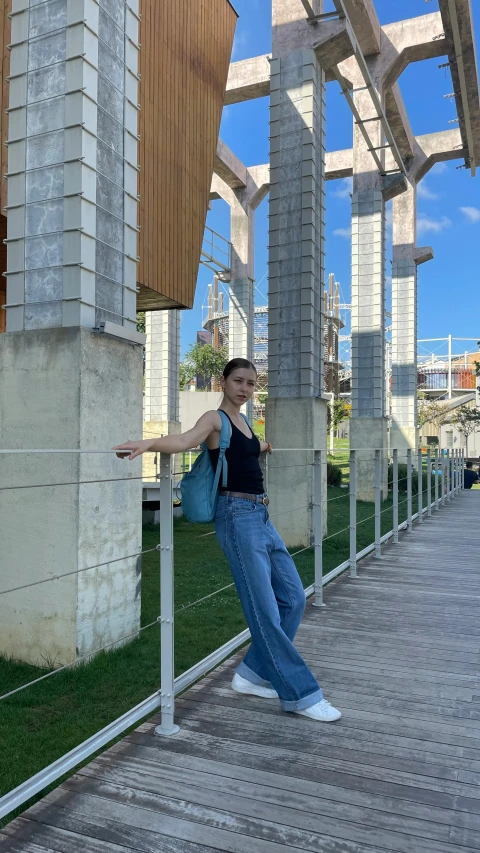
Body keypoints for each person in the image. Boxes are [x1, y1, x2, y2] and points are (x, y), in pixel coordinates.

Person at [114, 357, 341, 723]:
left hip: (262, 515)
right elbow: (186, 440)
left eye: (251, 384)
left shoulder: (245, 421)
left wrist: (265, 446)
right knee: (264, 610)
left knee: (294, 598)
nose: (244, 389)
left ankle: (250, 675)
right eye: (238, 381)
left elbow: (248, 452)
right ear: (223, 382)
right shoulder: (214, 419)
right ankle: (301, 694)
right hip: (236, 516)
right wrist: (148, 443)